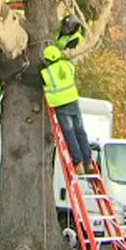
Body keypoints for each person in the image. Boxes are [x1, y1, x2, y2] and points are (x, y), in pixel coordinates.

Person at [40, 45, 95, 175]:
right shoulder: (68, 66)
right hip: (73, 102)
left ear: (47, 59)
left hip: (61, 105)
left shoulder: (47, 73)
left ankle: (78, 164)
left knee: (70, 134)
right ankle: (88, 162)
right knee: (80, 132)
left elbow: (36, 80)